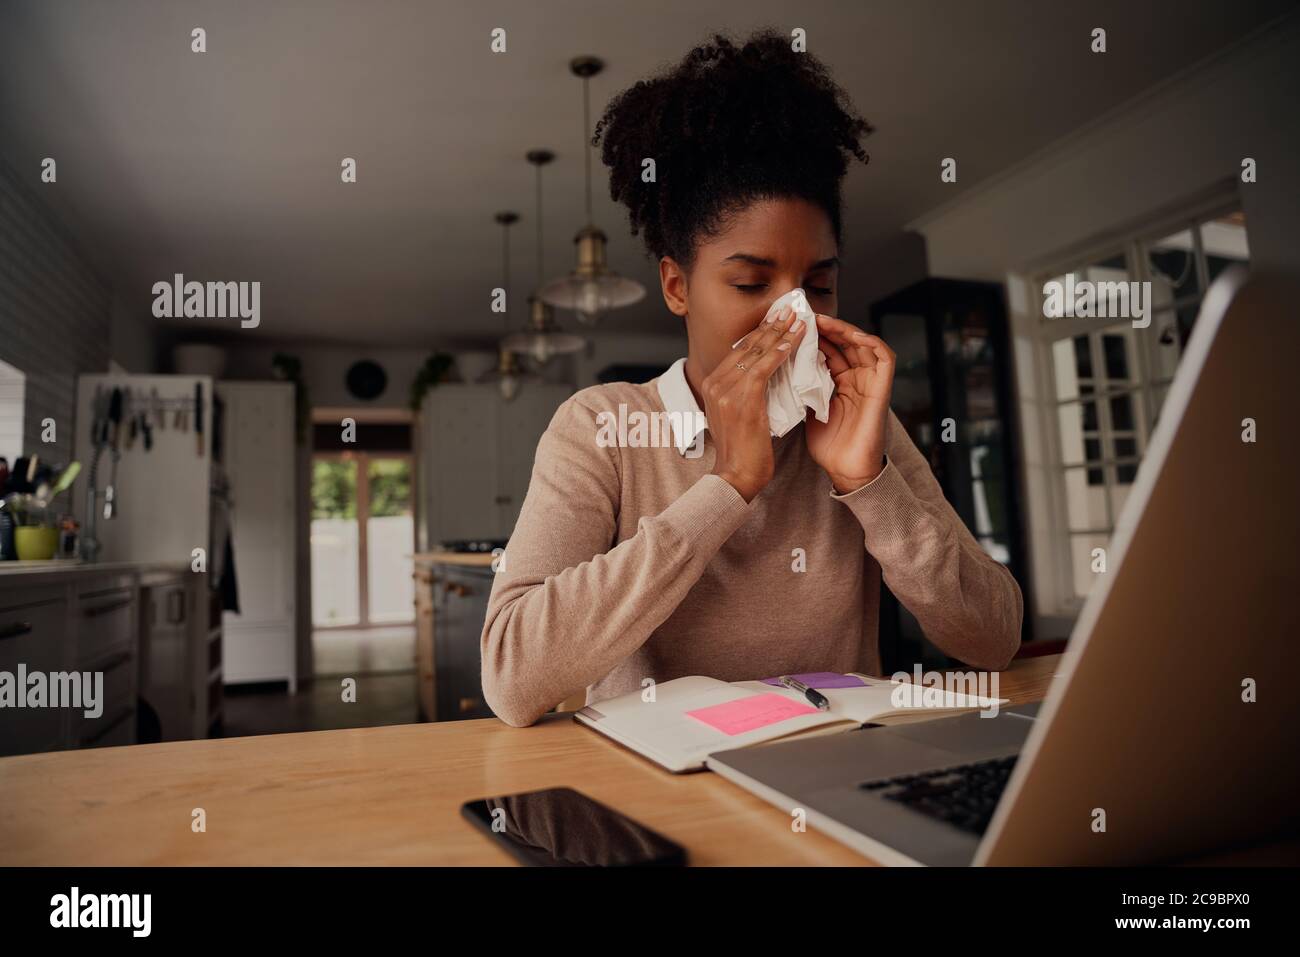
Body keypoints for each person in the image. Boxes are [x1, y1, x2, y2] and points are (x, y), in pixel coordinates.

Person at [481, 30, 1022, 727]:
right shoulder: (602, 427)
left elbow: (994, 638)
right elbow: (510, 677)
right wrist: (728, 484)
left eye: (819, 286)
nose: (793, 318)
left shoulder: (859, 425)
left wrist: (868, 484)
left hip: (834, 780)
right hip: (658, 799)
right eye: (749, 282)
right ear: (677, 285)